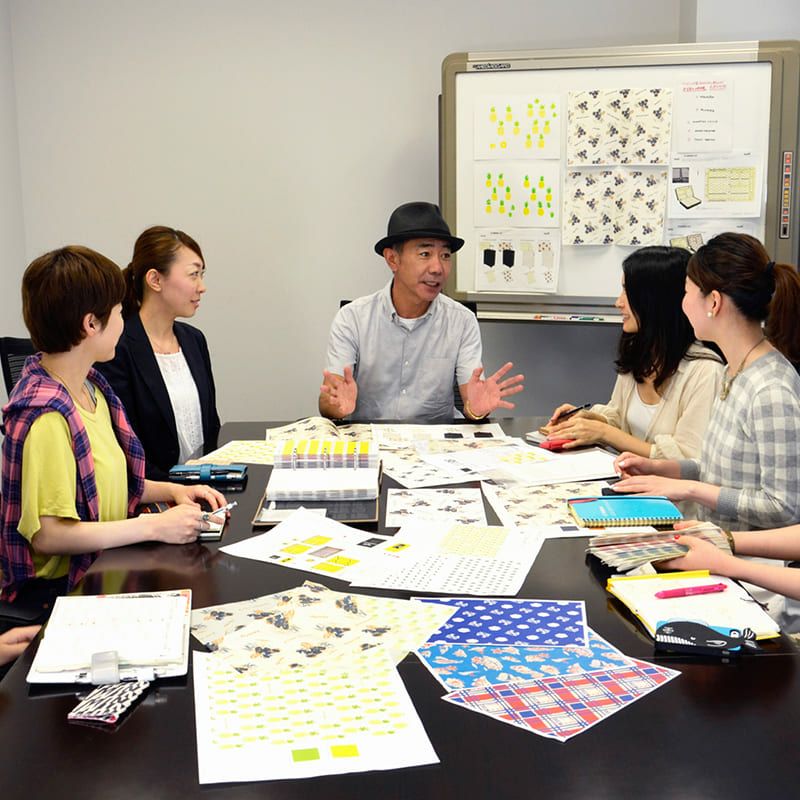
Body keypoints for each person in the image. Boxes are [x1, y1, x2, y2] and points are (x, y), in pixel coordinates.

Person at [0, 246, 227, 604]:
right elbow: (49, 535)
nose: (125, 321)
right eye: (120, 311)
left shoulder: (92, 389)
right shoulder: (47, 415)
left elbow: (111, 483)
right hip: (64, 592)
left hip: (106, 566)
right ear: (91, 324)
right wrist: (152, 526)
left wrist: (172, 491)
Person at [613, 233, 800, 530]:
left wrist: (691, 490)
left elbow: (784, 507)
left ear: (714, 301)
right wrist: (661, 468)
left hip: (744, 555)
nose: (682, 304)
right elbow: (720, 471)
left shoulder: (770, 390)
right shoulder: (733, 371)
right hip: (712, 542)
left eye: (686, 293)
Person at [319, 202, 524, 421]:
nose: (438, 268)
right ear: (392, 259)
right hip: (371, 437)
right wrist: (337, 406)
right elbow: (329, 401)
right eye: (425, 254)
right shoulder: (352, 319)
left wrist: (476, 409)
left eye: (445, 256)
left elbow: (472, 402)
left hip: (437, 440)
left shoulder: (462, 321)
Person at [542, 246, 722, 458]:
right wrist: (588, 420)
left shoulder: (705, 372)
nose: (618, 303)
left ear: (655, 301)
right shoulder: (640, 353)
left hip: (662, 481)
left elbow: (687, 459)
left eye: (627, 292)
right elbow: (619, 417)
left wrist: (604, 432)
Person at [97, 226, 220, 480]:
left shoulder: (194, 340)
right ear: (155, 280)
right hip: (154, 494)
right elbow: (126, 452)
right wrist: (177, 489)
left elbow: (211, 428)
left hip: (205, 486)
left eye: (202, 275)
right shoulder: (117, 349)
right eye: (193, 275)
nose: (202, 287)